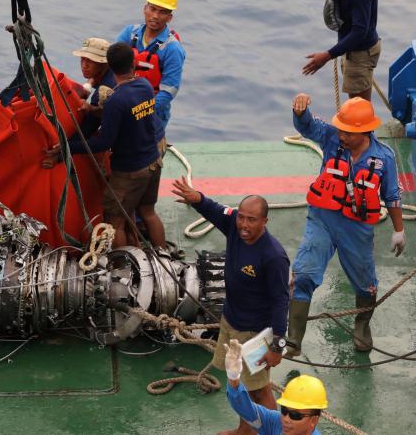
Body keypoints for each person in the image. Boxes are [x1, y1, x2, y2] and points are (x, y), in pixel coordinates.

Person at [287, 94, 404, 356]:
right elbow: (307, 127)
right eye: (341, 128)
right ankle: (294, 340)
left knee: (365, 283)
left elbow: (393, 195)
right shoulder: (330, 137)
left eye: (348, 132)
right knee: (304, 273)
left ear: (364, 131)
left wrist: (399, 230)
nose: (341, 135)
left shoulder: (383, 158)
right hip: (322, 220)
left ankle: (362, 325)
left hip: (357, 229)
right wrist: (300, 111)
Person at [171, 178, 289, 435]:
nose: (244, 225)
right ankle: (245, 430)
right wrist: (197, 199)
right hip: (231, 320)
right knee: (240, 383)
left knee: (259, 389)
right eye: (242, 217)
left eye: (251, 220)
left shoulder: (273, 256)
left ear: (264, 222)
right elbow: (215, 210)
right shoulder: (235, 226)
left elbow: (281, 300)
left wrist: (278, 345)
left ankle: (275, 432)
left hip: (253, 333)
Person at [44, 42, 161, 248]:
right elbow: (129, 115)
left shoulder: (115, 99)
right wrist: (95, 109)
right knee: (148, 213)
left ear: (108, 66)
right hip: (152, 162)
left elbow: (103, 142)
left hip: (130, 172)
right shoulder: (144, 86)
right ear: (133, 64)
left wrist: (66, 148)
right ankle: (163, 256)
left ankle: (121, 270)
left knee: (114, 223)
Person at [115, 0, 186, 129]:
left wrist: (139, 112)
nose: (155, 16)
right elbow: (112, 64)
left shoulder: (173, 49)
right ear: (144, 9)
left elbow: (168, 92)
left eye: (162, 12)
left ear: (169, 17)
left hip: (154, 114)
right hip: (123, 101)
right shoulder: (129, 33)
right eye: (152, 9)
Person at [224, 339, 328, 435]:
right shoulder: (276, 422)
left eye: (295, 416)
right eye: (284, 411)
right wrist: (233, 378)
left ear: (313, 421)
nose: (286, 419)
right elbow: (246, 409)